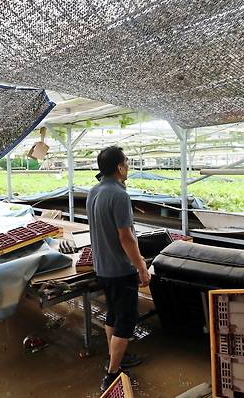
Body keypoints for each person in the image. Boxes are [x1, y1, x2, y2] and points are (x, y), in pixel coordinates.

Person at [86, 146, 151, 392]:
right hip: (120, 268)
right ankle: (112, 372)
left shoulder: (94, 191)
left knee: (113, 314)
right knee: (126, 320)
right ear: (119, 167)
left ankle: (116, 357)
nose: (128, 166)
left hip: (102, 267)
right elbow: (126, 237)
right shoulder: (119, 195)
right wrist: (141, 266)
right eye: (126, 162)